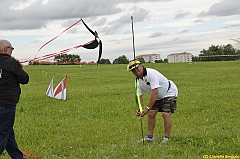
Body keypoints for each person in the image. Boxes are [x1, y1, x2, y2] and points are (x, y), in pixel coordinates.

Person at [127, 59, 178, 144]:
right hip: (158, 96)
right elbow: (139, 96)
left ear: (141, 66)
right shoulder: (137, 81)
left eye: (137, 68)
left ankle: (167, 138)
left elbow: (155, 92)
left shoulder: (152, 74)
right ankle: (150, 137)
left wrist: (147, 108)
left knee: (165, 114)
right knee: (151, 114)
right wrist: (139, 108)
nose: (136, 71)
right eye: (133, 70)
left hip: (169, 92)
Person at [0, 39, 29, 159]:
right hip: (6, 105)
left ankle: (18, 157)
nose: (12, 51)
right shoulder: (12, 63)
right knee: (3, 134)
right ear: (6, 49)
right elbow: (24, 79)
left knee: (8, 133)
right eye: (11, 49)